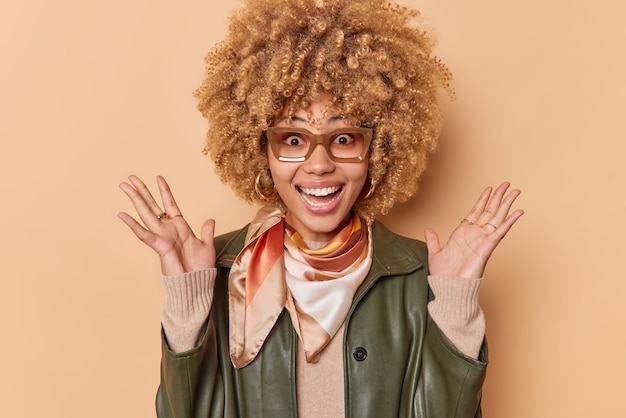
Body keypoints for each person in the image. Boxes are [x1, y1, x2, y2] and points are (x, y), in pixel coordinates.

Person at [118, 0, 523, 417]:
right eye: (293, 139)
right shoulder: (218, 271)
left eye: (344, 138)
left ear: (377, 151)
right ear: (263, 153)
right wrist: (187, 305)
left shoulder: (424, 275)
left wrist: (454, 305)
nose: (319, 163)